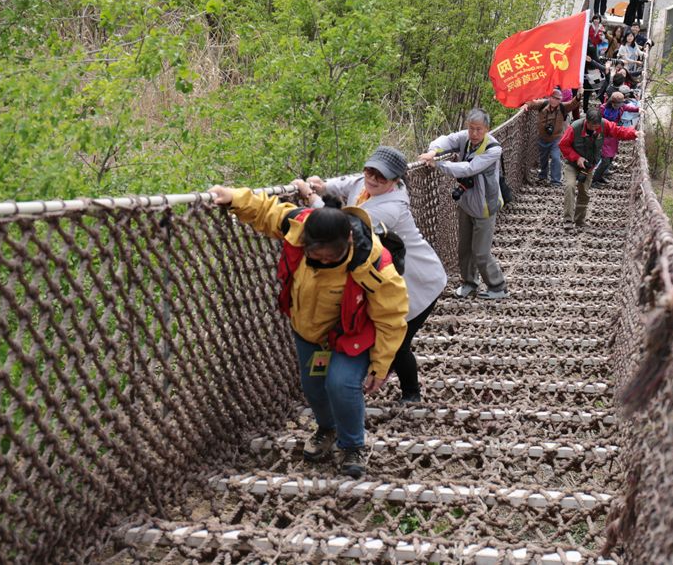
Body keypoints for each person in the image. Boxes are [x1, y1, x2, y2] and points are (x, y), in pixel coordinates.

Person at [207, 185, 409, 479]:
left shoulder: (373, 263)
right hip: (308, 332)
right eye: (317, 257)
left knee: (341, 385)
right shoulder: (299, 227)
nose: (324, 261)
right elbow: (268, 211)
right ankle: (327, 428)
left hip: (350, 336)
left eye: (332, 257)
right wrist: (234, 198)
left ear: (349, 240)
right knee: (313, 387)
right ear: (305, 243)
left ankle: (353, 445)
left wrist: (381, 365)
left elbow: (391, 316)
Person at [296, 146, 446, 403]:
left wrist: (310, 197)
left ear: (396, 181)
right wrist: (322, 186)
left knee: (397, 341)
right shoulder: (364, 183)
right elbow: (346, 184)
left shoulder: (390, 208)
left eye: (382, 177)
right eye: (371, 171)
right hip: (393, 279)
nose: (373, 179)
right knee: (391, 339)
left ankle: (411, 394)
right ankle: (386, 378)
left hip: (420, 282)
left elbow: (340, 229)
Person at [418, 108, 508, 299]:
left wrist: (439, 164)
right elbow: (446, 140)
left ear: (487, 129)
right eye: (471, 129)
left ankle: (498, 286)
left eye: (479, 130)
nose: (474, 134)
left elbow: (469, 168)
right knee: (464, 248)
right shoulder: (465, 138)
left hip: (484, 206)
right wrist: (433, 151)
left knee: (481, 252)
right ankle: (469, 283)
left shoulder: (494, 149)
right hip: (466, 203)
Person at [558, 108, 641, 229]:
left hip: (588, 166)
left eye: (597, 126)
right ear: (586, 121)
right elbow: (563, 144)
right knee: (569, 186)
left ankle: (580, 220)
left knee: (584, 193)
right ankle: (568, 220)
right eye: (592, 126)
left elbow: (617, 131)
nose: (594, 129)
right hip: (572, 163)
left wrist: (634, 134)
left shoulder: (604, 124)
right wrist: (577, 158)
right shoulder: (575, 127)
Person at [594, 91, 640, 188]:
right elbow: (596, 121)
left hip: (613, 134)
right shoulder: (603, 109)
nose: (619, 106)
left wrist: (638, 109)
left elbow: (628, 108)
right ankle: (594, 180)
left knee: (611, 157)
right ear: (612, 102)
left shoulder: (621, 107)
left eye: (621, 103)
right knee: (605, 159)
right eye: (617, 104)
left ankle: (600, 176)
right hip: (603, 135)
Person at [527, 89, 565, 186]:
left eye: (558, 99)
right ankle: (543, 175)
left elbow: (573, 103)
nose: (556, 101)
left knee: (556, 158)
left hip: (556, 138)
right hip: (543, 138)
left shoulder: (562, 107)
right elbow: (532, 103)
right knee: (543, 158)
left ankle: (555, 180)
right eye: (554, 98)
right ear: (550, 97)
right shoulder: (543, 104)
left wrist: (579, 95)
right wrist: (526, 105)